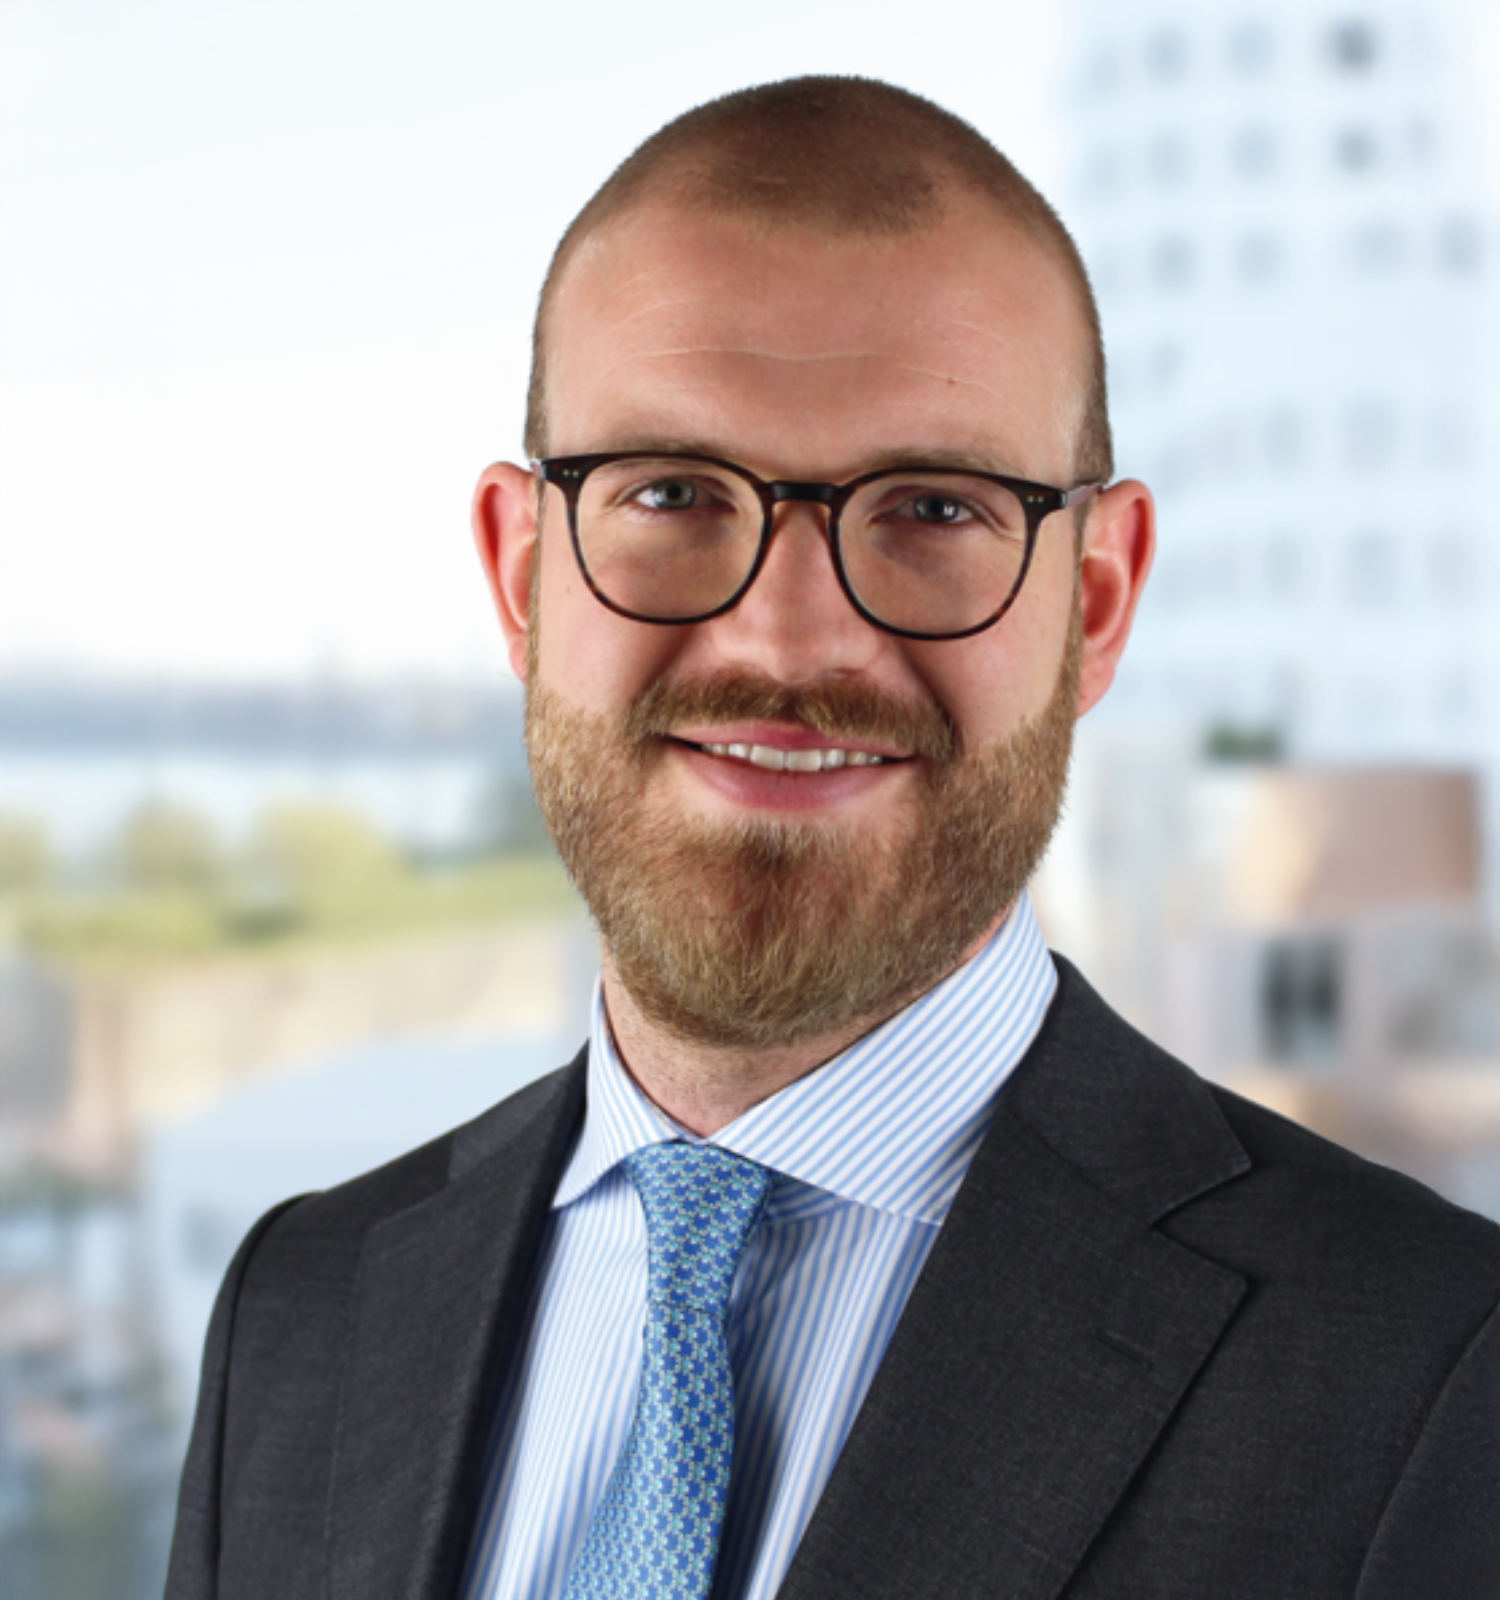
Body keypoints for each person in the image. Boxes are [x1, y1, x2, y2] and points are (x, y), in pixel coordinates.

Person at [165, 77, 1500, 1600]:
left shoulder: (1438, 1376)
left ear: (1100, 602)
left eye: (932, 510)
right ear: (521, 575)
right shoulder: (305, 1307)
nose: (790, 639)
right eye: (670, 491)